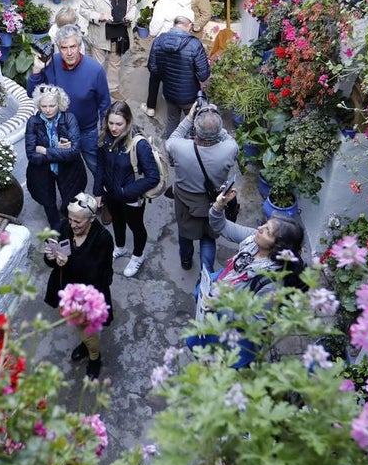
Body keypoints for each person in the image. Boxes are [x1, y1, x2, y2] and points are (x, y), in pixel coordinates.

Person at [188, 186, 306, 366]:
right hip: (219, 295)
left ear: (277, 247)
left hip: (230, 324)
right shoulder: (253, 240)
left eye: (266, 231)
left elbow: (257, 323)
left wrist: (221, 305)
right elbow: (221, 226)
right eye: (265, 224)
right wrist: (219, 205)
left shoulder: (271, 282)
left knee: (218, 356)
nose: (259, 228)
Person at [43, 193, 114, 380]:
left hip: (89, 297)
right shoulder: (65, 227)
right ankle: (86, 345)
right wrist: (50, 257)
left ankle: (94, 358)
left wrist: (68, 261)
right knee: (81, 327)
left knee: (87, 330)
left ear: (91, 219)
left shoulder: (103, 239)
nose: (73, 225)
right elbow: (52, 259)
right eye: (71, 219)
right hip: (67, 291)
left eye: (78, 222)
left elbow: (97, 275)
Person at [27, 24, 111, 176]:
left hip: (87, 131)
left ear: (80, 45)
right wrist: (37, 70)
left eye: (73, 46)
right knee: (68, 171)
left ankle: (104, 194)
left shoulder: (95, 70)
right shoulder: (50, 63)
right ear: (58, 47)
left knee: (96, 167)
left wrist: (104, 132)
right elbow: (31, 94)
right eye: (64, 48)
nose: (70, 52)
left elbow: (104, 104)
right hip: (60, 130)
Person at [166, 102, 239, 272]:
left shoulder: (179, 148)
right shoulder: (229, 149)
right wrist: (213, 119)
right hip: (214, 201)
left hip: (186, 201)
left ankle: (185, 260)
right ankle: (206, 272)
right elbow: (228, 139)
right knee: (208, 237)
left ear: (196, 129)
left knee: (185, 232)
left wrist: (191, 117)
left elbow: (172, 138)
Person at [93, 101, 159, 278]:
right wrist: (98, 190)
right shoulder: (105, 137)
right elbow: (100, 164)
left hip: (131, 197)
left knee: (136, 227)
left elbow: (153, 177)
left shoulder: (139, 144)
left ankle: (138, 256)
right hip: (111, 193)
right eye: (111, 123)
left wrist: (126, 192)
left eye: (119, 124)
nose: (114, 128)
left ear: (128, 121)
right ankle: (120, 247)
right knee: (117, 221)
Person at [25, 86, 87, 231]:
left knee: (71, 198)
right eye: (44, 106)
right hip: (42, 171)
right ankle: (56, 228)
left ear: (59, 104)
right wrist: (59, 152)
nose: (48, 110)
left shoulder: (69, 118)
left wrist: (45, 151)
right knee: (48, 201)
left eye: (52, 105)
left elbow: (73, 152)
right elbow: (31, 155)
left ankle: (70, 221)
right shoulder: (33, 122)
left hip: (69, 170)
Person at [148, 13, 211, 139]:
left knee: (172, 121)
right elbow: (203, 75)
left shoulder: (159, 41)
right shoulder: (194, 44)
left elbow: (153, 68)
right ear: (189, 25)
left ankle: (171, 152)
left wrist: (167, 75)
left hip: (169, 93)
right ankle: (191, 153)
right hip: (190, 96)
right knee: (194, 123)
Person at [79, 0, 135, 102]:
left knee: (115, 62)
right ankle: (95, 89)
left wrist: (130, 16)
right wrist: (99, 16)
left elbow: (133, 6)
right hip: (100, 32)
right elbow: (83, 10)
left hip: (120, 31)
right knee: (98, 64)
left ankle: (113, 89)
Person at [144, 0, 194, 118]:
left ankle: (150, 107)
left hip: (163, 42)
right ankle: (170, 99)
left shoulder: (163, 3)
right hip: (182, 41)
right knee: (174, 72)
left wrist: (153, 32)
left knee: (155, 74)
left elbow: (154, 29)